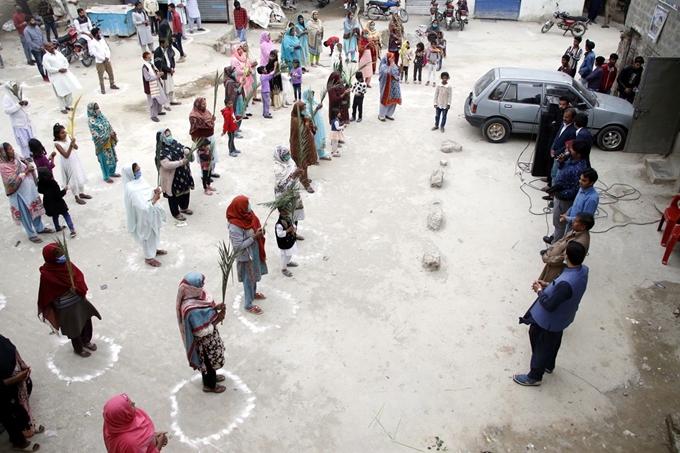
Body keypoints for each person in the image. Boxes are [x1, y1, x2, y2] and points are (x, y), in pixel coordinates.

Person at [514, 242, 589, 386]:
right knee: (554, 341)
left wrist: (539, 290)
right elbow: (565, 292)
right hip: (563, 317)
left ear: (566, 256)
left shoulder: (565, 284)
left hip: (550, 320)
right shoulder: (583, 270)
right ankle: (549, 364)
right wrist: (549, 286)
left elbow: (549, 305)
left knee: (540, 342)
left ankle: (534, 376)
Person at [38, 242, 102, 357]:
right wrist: (65, 291)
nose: (63, 257)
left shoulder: (67, 265)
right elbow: (48, 293)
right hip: (65, 306)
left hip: (78, 299)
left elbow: (78, 276)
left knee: (86, 319)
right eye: (59, 256)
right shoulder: (47, 274)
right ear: (52, 258)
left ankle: (86, 340)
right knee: (74, 327)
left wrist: (76, 287)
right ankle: (78, 348)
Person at [176, 273, 227, 393]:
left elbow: (205, 311)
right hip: (204, 344)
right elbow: (200, 332)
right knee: (208, 364)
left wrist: (215, 308)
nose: (203, 285)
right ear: (193, 288)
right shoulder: (190, 309)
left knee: (211, 364)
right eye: (201, 284)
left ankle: (212, 376)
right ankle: (209, 385)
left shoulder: (199, 297)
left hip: (210, 337)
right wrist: (217, 320)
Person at [1, 142, 53, 243]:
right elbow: (12, 182)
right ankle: (31, 234)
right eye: (10, 149)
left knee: (35, 207)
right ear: (4, 153)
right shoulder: (3, 166)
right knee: (25, 213)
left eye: (12, 148)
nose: (13, 150)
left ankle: (40, 228)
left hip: (29, 189)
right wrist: (25, 172)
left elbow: (26, 162)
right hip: (18, 193)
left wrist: (29, 167)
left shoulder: (16, 156)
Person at [0, 335, 43, 453]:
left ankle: (27, 425)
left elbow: (10, 346)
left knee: (21, 404)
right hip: (3, 389)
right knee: (7, 414)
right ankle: (19, 442)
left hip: (16, 378)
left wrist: (21, 362)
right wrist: (15, 379)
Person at [227, 195, 268, 315]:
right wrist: (254, 237)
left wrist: (260, 230)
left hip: (254, 251)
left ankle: (253, 294)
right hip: (246, 256)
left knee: (254, 275)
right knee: (248, 279)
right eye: (246, 204)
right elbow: (238, 246)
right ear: (240, 208)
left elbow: (256, 224)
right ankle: (248, 304)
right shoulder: (235, 226)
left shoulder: (248, 215)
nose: (249, 206)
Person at [544, 140, 591, 244]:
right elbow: (563, 170)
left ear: (579, 154)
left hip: (564, 200)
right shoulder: (570, 159)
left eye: (572, 149)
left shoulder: (579, 169)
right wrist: (561, 163)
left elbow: (575, 190)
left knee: (560, 224)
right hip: (559, 195)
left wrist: (558, 194)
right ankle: (555, 236)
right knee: (557, 223)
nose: (569, 150)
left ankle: (554, 247)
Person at [123, 163, 167, 266]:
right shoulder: (131, 189)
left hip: (152, 212)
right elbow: (141, 206)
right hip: (144, 216)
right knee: (147, 235)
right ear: (131, 173)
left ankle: (154, 249)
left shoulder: (141, 180)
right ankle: (149, 258)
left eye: (139, 169)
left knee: (155, 231)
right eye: (137, 171)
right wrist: (154, 199)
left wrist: (154, 192)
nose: (139, 172)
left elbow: (147, 192)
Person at [103, 394, 169, 452]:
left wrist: (152, 437)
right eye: (131, 405)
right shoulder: (129, 444)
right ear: (125, 414)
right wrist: (159, 446)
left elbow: (137, 434)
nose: (134, 403)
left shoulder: (113, 422)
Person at [539, 212, 593, 283]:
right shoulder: (575, 231)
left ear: (583, 227)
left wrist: (547, 258)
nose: (573, 221)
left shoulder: (578, 243)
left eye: (576, 221)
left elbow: (563, 258)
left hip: (558, 268)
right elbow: (560, 240)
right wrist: (550, 250)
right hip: (551, 260)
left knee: (547, 286)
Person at [157, 128, 194, 221]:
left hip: (183, 174)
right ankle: (176, 213)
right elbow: (166, 164)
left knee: (185, 191)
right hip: (172, 178)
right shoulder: (161, 151)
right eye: (167, 136)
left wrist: (186, 150)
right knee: (173, 196)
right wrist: (181, 162)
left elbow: (182, 147)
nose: (170, 137)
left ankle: (184, 207)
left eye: (170, 135)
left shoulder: (174, 143)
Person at [53, 123, 90, 205]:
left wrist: (73, 142)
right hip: (67, 162)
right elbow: (66, 155)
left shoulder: (68, 137)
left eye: (64, 131)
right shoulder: (57, 144)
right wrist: (70, 146)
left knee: (78, 174)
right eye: (62, 133)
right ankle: (76, 196)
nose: (64, 133)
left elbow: (76, 147)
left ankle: (81, 193)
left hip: (74, 159)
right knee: (72, 178)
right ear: (57, 135)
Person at [42, 42, 82, 114]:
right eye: (49, 46)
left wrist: (65, 67)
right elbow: (49, 68)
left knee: (69, 89)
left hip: (65, 74)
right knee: (60, 92)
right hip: (56, 76)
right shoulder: (46, 57)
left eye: (51, 45)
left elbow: (65, 61)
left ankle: (69, 105)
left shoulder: (58, 53)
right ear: (46, 48)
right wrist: (58, 70)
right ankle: (62, 107)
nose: (51, 47)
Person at [273, 145, 306, 232]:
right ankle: (288, 235)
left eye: (289, 153)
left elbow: (294, 173)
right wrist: (294, 175)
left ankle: (294, 233)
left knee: (295, 215)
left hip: (294, 194)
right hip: (284, 197)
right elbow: (281, 187)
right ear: (280, 156)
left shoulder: (291, 162)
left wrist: (298, 174)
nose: (289, 155)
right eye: (286, 154)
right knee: (287, 217)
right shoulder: (278, 169)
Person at [37, 167, 76, 236]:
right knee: (66, 214)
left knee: (55, 216)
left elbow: (40, 191)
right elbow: (58, 195)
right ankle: (72, 229)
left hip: (49, 203)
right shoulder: (53, 183)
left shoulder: (40, 183)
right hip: (58, 203)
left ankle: (57, 227)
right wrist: (64, 190)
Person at [86, 102, 120, 183]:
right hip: (101, 143)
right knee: (104, 160)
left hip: (109, 141)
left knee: (112, 156)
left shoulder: (101, 115)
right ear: (92, 110)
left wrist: (112, 132)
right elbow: (95, 134)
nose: (98, 110)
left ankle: (112, 172)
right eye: (96, 108)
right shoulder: (91, 121)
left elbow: (108, 125)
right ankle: (106, 176)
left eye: (98, 108)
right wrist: (108, 135)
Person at [290, 101, 318, 192]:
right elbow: (301, 132)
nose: (305, 110)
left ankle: (303, 178)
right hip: (299, 146)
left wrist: (313, 128)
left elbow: (309, 129)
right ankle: (305, 183)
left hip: (306, 144)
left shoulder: (303, 117)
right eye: (303, 109)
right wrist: (306, 122)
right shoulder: (295, 120)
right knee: (302, 164)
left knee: (305, 164)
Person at [561, 168, 599, 233]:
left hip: (578, 229)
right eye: (580, 179)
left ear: (591, 183)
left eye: (584, 180)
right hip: (571, 223)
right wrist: (568, 212)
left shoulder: (591, 199)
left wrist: (567, 219)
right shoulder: (582, 188)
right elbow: (575, 205)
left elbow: (584, 220)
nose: (580, 182)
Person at [547, 107, 576, 190]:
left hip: (561, 155)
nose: (564, 119)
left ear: (572, 118)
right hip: (555, 152)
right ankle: (551, 192)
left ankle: (554, 196)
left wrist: (556, 152)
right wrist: (552, 148)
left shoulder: (572, 130)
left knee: (557, 176)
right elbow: (557, 137)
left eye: (567, 117)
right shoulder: (562, 124)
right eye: (564, 116)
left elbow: (567, 145)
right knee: (553, 174)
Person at [3, 82, 34, 159]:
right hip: (18, 124)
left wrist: (26, 103)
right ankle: (27, 156)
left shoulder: (20, 95)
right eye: (13, 87)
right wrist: (18, 105)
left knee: (30, 137)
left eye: (16, 86)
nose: (15, 88)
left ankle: (32, 152)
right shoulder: (7, 98)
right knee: (23, 141)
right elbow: (7, 110)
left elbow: (29, 103)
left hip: (27, 121)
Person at [189, 97, 219, 176]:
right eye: (203, 104)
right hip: (203, 140)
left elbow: (209, 122)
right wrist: (199, 142)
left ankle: (211, 171)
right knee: (205, 157)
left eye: (205, 104)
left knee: (213, 154)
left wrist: (212, 120)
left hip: (211, 137)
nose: (205, 106)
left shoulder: (206, 111)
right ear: (198, 105)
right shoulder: (194, 116)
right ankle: (205, 175)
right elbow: (194, 129)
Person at [154, 38, 182, 111]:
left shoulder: (168, 49)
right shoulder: (157, 52)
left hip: (170, 71)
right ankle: (166, 103)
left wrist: (172, 67)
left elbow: (172, 58)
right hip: (164, 73)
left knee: (171, 86)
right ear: (161, 44)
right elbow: (159, 64)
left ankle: (173, 99)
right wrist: (168, 70)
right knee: (166, 88)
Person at [89, 27, 119, 94]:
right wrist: (103, 58)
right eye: (99, 32)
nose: (100, 34)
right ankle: (102, 88)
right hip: (100, 62)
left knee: (110, 72)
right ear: (96, 34)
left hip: (107, 59)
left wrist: (107, 56)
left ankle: (112, 84)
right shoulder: (92, 43)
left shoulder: (102, 40)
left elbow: (107, 48)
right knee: (101, 75)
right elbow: (95, 53)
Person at [302, 89, 329, 160]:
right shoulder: (305, 105)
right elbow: (309, 116)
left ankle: (322, 154)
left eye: (313, 94)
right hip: (313, 124)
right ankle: (312, 158)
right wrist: (317, 108)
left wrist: (319, 106)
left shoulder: (314, 102)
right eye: (311, 95)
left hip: (319, 123)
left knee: (320, 138)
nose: (313, 96)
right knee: (314, 140)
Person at [142, 51, 167, 122]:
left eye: (150, 57)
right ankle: (153, 115)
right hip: (150, 86)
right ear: (145, 59)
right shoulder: (145, 67)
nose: (150, 59)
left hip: (156, 84)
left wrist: (158, 73)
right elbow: (147, 78)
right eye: (148, 58)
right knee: (152, 101)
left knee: (158, 97)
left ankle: (159, 111)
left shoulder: (151, 65)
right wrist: (156, 76)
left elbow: (154, 71)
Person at [378, 52, 402, 121]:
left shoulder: (393, 64)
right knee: (385, 99)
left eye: (393, 58)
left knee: (393, 100)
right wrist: (390, 67)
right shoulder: (383, 66)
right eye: (391, 58)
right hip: (386, 86)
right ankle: (381, 115)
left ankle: (388, 114)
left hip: (394, 86)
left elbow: (396, 72)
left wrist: (398, 70)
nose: (393, 59)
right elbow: (385, 73)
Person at [24, 16, 49, 82]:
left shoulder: (37, 27)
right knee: (40, 63)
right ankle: (44, 76)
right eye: (32, 20)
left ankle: (48, 74)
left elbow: (42, 36)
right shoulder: (26, 31)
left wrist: (45, 44)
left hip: (43, 47)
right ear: (28, 22)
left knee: (46, 62)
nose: (34, 21)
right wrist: (39, 47)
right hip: (36, 50)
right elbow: (29, 42)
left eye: (34, 20)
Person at [276, 208, 298, 277]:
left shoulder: (288, 218)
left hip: (290, 240)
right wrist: (288, 230)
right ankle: (283, 268)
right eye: (286, 209)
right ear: (282, 212)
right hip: (284, 243)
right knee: (284, 256)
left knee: (290, 253)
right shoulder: (279, 224)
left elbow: (292, 224)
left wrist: (293, 229)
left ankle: (288, 262)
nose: (289, 210)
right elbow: (279, 234)